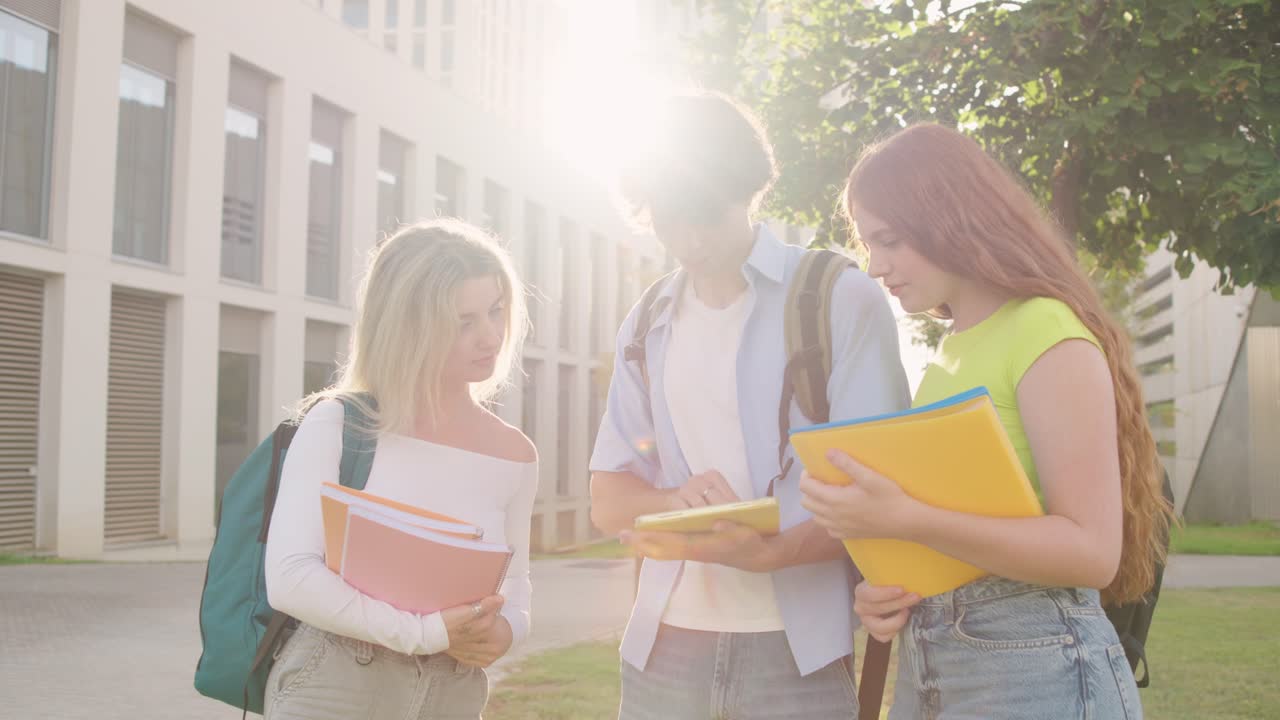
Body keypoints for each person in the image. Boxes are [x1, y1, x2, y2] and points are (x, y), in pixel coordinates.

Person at [800, 123, 1174, 720]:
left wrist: (907, 517)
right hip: (936, 667)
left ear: (948, 216)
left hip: (1039, 669)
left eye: (889, 240)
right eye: (869, 245)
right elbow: (959, 532)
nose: (876, 267)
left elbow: (1092, 551)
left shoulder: (1043, 329)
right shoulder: (947, 355)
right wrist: (887, 591)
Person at [589, 91, 911, 719]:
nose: (687, 238)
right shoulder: (646, 321)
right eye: (667, 217)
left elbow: (884, 492)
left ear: (748, 189)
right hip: (663, 652)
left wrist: (777, 551)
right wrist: (670, 503)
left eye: (703, 214)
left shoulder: (839, 299)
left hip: (800, 654)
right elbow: (608, 497)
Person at [261, 219, 538, 720]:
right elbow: (290, 576)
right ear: (409, 325)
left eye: (496, 311)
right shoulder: (339, 423)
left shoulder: (515, 454)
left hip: (453, 690)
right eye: (464, 321)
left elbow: (514, 583)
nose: (491, 336)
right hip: (338, 682)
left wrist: (507, 631)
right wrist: (425, 633)